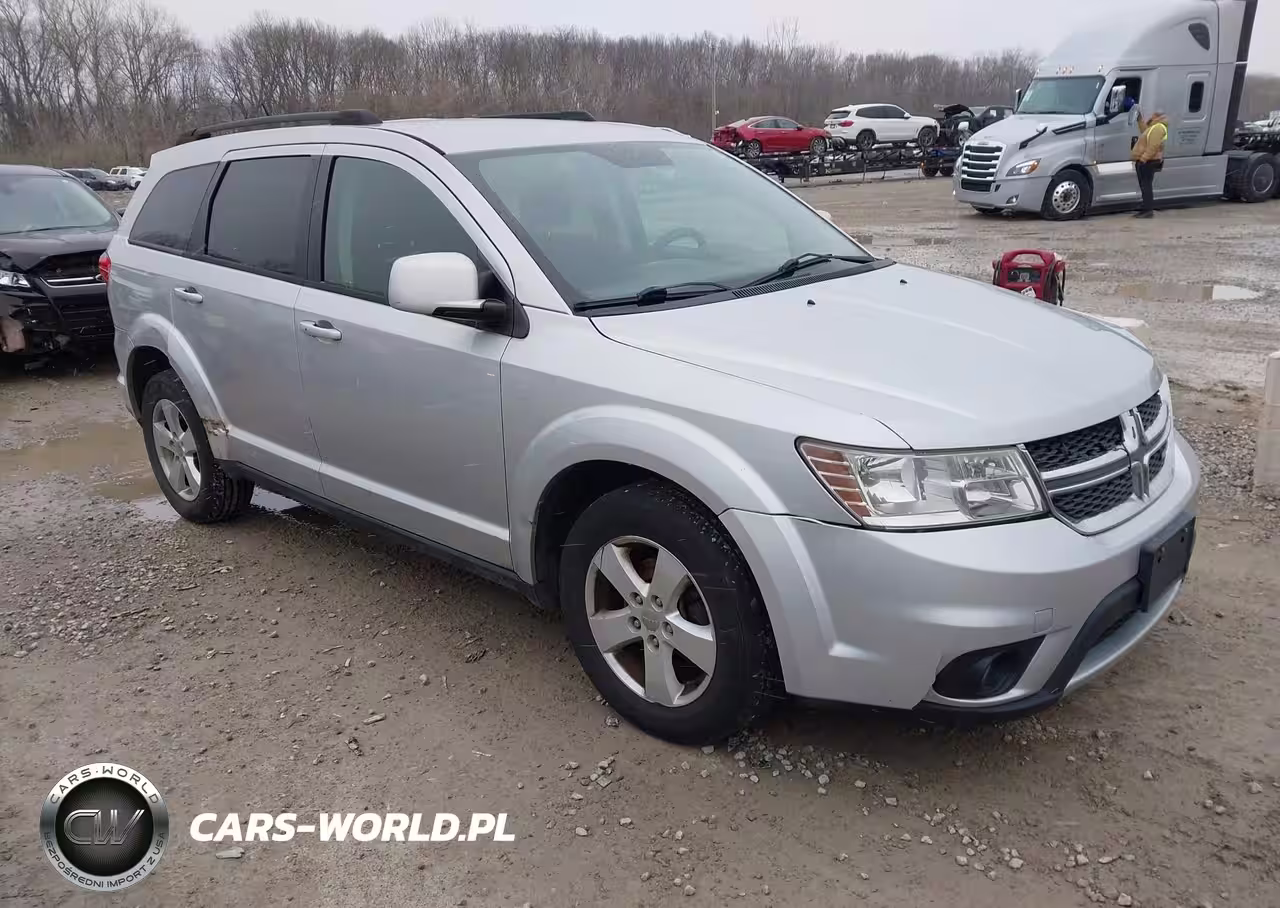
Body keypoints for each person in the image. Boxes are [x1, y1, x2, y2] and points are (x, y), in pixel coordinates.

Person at [1130, 108, 1168, 218]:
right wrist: (1139, 119)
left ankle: (1147, 211)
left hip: (1149, 161)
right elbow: (1145, 132)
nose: (1151, 116)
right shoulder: (1154, 127)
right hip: (1147, 160)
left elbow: (1153, 146)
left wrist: (1143, 159)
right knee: (1144, 185)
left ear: (1157, 117)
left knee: (1146, 186)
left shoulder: (1159, 128)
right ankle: (1145, 207)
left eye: (1154, 115)